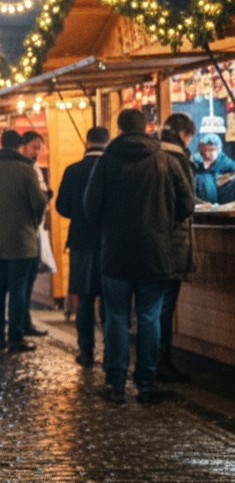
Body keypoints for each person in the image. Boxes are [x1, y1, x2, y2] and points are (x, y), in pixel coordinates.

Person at [85, 108, 195, 405]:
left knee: (117, 317)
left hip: (116, 253)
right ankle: (147, 384)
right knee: (149, 317)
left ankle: (116, 384)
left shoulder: (107, 161)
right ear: (147, 128)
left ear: (119, 129)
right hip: (155, 252)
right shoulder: (165, 160)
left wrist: (109, 229)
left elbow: (90, 206)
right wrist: (162, 224)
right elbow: (187, 205)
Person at [0, 129, 48, 353]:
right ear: (18, 147)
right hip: (22, 240)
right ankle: (15, 337)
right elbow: (39, 202)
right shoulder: (26, 171)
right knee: (18, 289)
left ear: (1, 145)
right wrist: (33, 221)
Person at [54, 126, 109, 367]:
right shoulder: (112, 170)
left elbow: (61, 207)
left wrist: (79, 214)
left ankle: (86, 350)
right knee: (109, 299)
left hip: (80, 241)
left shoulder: (73, 170)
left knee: (85, 299)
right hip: (109, 241)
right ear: (107, 143)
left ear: (87, 142)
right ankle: (111, 350)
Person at [158, 111, 196, 382]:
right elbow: (186, 205)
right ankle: (161, 364)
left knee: (152, 307)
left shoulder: (151, 156)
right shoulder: (179, 161)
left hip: (150, 243)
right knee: (164, 307)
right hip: (172, 245)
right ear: (184, 135)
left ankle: (151, 365)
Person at [19, 130, 50, 337]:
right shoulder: (25, 169)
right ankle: (20, 325)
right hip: (26, 231)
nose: (37, 152)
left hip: (35, 230)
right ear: (23, 146)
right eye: (34, 147)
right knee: (23, 281)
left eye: (39, 148)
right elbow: (38, 200)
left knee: (27, 280)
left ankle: (23, 321)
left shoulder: (36, 169)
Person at [192, 132, 235, 204]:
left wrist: (228, 178)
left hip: (223, 208)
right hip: (200, 208)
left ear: (218, 150)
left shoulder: (224, 162)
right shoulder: (195, 163)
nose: (207, 154)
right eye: (204, 149)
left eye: (211, 149)